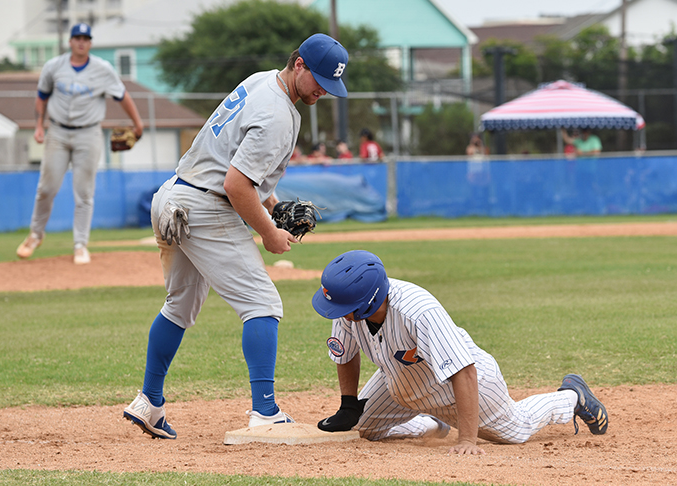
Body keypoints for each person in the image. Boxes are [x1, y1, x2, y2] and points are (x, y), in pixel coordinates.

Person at [122, 33, 349, 439]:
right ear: (299, 64)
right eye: (318, 80)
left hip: (175, 195)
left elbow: (238, 165)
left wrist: (273, 206)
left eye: (329, 86)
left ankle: (149, 401)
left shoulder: (260, 81)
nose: (322, 91)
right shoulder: (279, 115)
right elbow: (237, 185)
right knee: (263, 302)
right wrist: (269, 233)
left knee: (180, 305)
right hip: (206, 207)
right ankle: (265, 412)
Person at [312, 250, 608, 454]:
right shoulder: (349, 308)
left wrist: (467, 438)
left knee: (517, 430)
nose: (336, 313)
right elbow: (346, 353)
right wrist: (349, 404)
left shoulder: (418, 311)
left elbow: (464, 371)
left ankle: (570, 397)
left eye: (343, 308)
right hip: (402, 380)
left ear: (367, 302)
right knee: (364, 428)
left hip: (465, 385)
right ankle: (431, 423)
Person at [16, 23, 144, 265]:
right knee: (47, 187)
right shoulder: (54, 67)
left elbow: (122, 95)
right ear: (70, 41)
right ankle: (35, 234)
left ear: (90, 43)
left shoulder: (102, 69)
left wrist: (138, 124)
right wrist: (39, 126)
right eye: (77, 37)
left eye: (86, 38)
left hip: (89, 134)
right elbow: (41, 97)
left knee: (84, 192)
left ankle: (80, 245)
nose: (81, 42)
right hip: (58, 133)